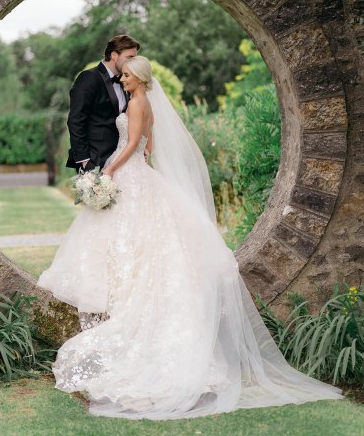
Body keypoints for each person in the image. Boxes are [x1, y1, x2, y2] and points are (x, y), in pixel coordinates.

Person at [38, 56, 343, 420]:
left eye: (126, 75)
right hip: (139, 177)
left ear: (138, 78)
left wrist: (107, 173)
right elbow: (149, 144)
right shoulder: (145, 103)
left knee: (134, 240)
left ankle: (136, 310)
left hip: (129, 173)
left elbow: (134, 143)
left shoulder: (137, 103)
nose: (121, 78)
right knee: (140, 242)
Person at [65, 34, 140, 173]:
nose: (133, 63)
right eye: (130, 58)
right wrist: (85, 161)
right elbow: (76, 120)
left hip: (120, 160)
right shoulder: (88, 78)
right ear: (113, 55)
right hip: (95, 160)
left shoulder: (127, 81)